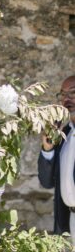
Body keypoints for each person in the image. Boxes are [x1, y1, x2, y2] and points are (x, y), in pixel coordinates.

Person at [39, 74, 75, 237]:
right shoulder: (63, 135)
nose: (66, 99)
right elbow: (47, 182)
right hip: (68, 222)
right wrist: (48, 149)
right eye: (63, 94)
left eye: (72, 93)